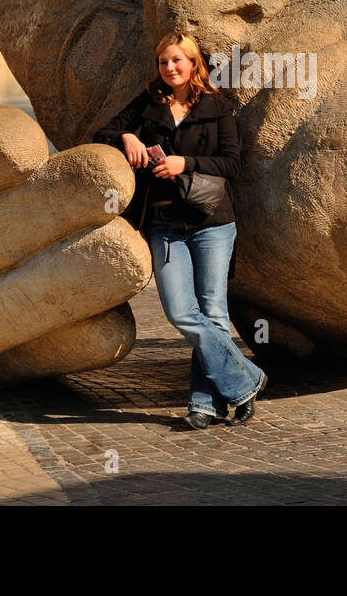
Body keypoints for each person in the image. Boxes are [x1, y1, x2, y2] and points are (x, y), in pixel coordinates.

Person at [93, 33, 267, 429]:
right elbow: (101, 133)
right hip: (163, 222)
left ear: (193, 64)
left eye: (177, 61)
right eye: (163, 62)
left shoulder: (217, 107)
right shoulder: (149, 103)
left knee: (213, 312)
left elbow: (232, 163)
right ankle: (246, 380)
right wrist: (128, 135)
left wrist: (183, 163)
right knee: (180, 311)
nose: (169, 68)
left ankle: (205, 403)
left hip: (212, 222)